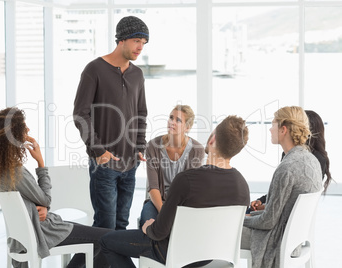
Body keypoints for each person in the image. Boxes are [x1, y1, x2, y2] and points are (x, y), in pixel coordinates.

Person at [100, 115, 250, 268]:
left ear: (212, 139)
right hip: (209, 256)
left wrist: (148, 227)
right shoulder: (243, 186)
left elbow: (159, 233)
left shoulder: (186, 180)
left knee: (106, 241)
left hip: (174, 252)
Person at [0, 107, 112, 268]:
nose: (28, 130)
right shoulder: (15, 171)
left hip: (31, 232)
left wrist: (40, 208)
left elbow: (33, 203)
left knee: (98, 235)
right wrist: (40, 162)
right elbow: (45, 199)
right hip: (44, 231)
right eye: (24, 127)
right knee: (109, 238)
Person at [73, 16, 149, 230]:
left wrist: (140, 146)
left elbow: (141, 113)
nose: (140, 47)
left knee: (121, 225)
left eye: (143, 43)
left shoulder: (137, 74)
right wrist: (99, 150)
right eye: (136, 41)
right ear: (121, 39)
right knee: (105, 225)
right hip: (104, 164)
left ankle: (81, 264)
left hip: (130, 163)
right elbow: (80, 114)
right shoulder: (94, 69)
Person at [241, 106, 323, 268]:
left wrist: (240, 220)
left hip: (277, 239)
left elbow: (268, 222)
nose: (270, 129)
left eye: (273, 124)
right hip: (296, 239)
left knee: (222, 231)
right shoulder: (311, 160)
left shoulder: (287, 167)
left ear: (283, 129)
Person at [249, 109, 332, 212]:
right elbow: (281, 190)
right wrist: (261, 201)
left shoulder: (313, 160)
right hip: (282, 211)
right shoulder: (291, 155)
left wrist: (263, 208)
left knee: (245, 215)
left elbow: (292, 200)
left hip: (286, 214)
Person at [139, 104, 205, 227]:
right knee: (148, 223)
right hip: (157, 202)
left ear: (187, 127)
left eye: (178, 120)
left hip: (183, 204)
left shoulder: (197, 150)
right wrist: (163, 212)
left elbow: (190, 189)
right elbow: (153, 187)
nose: (172, 122)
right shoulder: (153, 146)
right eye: (171, 117)